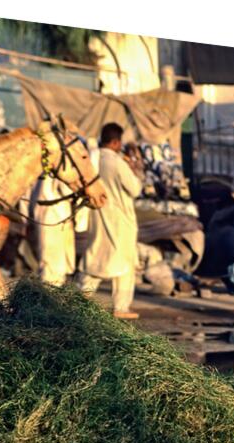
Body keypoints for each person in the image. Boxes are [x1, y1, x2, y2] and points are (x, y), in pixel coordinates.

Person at [76, 122, 142, 319]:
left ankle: (79, 300)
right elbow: (135, 189)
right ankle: (121, 308)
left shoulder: (92, 159)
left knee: (95, 258)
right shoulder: (117, 162)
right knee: (124, 266)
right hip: (121, 221)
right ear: (115, 142)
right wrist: (134, 168)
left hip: (98, 215)